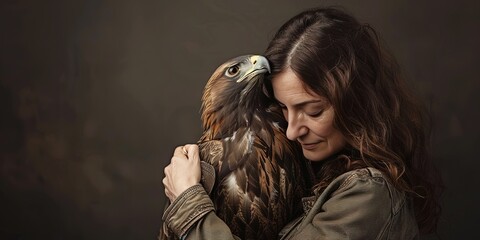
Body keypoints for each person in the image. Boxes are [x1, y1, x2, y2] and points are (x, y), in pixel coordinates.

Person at [161, 7, 443, 239]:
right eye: (283, 108)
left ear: (358, 103)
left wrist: (189, 203)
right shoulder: (309, 158)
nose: (293, 131)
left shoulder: (370, 194)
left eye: (313, 110)